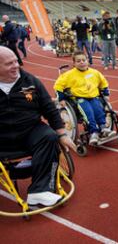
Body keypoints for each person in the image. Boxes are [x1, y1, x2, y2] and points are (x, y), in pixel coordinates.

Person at [0, 46, 76, 206]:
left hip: (30, 132)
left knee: (50, 136)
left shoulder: (30, 81)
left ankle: (40, 191)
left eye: (16, 61)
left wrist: (62, 134)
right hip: (2, 138)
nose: (16, 65)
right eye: (9, 64)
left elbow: (48, 107)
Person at [54, 51, 116, 145]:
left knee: (98, 110)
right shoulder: (69, 75)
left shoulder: (94, 72)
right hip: (80, 99)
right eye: (78, 61)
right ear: (74, 64)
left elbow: (104, 82)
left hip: (93, 97)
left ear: (87, 61)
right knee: (89, 112)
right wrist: (61, 98)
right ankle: (93, 132)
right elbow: (58, 85)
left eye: (84, 60)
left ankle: (103, 128)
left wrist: (106, 93)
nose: (82, 62)